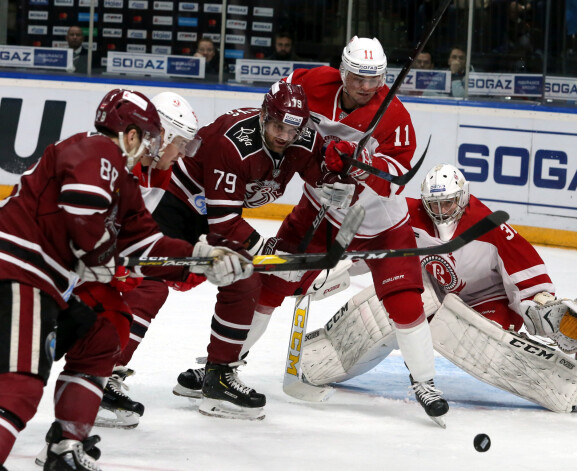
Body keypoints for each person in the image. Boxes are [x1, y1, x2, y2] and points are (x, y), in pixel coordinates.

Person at [175, 36, 450, 426]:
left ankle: (425, 382)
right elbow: (280, 100)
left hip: (378, 224)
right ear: (342, 70)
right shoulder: (312, 82)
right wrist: (323, 164)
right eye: (358, 77)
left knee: (405, 302)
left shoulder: (396, 117)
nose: (367, 86)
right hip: (319, 209)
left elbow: (395, 180)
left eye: (374, 79)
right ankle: (222, 367)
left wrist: (357, 163)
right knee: (269, 282)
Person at [0, 88, 252, 470]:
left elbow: (145, 243)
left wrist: (201, 258)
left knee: (104, 329)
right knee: (19, 384)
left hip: (49, 282)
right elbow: (84, 214)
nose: (178, 153)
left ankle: (65, 446)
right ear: (136, 135)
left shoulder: (130, 182)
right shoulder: (97, 150)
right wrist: (102, 256)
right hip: (17, 273)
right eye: (174, 143)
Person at [109, 82, 332, 422]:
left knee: (244, 280)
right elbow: (225, 224)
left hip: (213, 214)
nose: (285, 136)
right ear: (263, 116)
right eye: (277, 127)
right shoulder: (231, 143)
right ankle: (102, 375)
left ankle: (218, 379)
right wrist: (269, 251)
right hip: (177, 206)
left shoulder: (302, 137)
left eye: (293, 129)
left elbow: (322, 173)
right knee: (148, 286)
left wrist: (341, 171)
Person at [299, 164, 577, 413]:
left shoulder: (489, 225)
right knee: (396, 299)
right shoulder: (411, 215)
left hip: (487, 301)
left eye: (448, 203)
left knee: (480, 342)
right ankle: (317, 358)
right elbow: (377, 245)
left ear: (462, 198)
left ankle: (561, 386)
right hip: (436, 288)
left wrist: (540, 303)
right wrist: (335, 264)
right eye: (434, 204)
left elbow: (523, 273)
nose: (440, 211)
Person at [89, 91, 204, 430]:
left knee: (150, 288)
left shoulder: (158, 171)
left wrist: (189, 263)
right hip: (44, 257)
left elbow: (137, 233)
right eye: (179, 144)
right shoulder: (104, 159)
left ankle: (99, 378)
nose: (182, 154)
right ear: (160, 136)